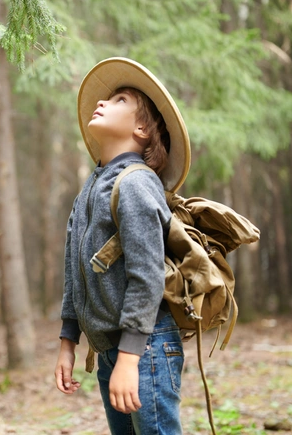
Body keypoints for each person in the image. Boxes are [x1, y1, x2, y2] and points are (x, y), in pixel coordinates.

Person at [54, 57, 192, 435]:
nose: (102, 102)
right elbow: (74, 269)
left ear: (143, 128)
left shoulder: (135, 183)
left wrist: (130, 358)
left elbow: (147, 276)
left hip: (144, 348)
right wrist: (69, 340)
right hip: (112, 351)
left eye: (119, 101)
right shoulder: (89, 191)